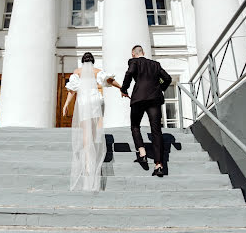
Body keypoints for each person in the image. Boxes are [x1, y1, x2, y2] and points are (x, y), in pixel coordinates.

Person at [62, 52, 121, 191]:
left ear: (82, 61)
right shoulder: (97, 71)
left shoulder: (77, 72)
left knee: (85, 133)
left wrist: (66, 105)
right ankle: (94, 154)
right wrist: (121, 87)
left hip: (83, 102)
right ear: (93, 61)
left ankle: (88, 163)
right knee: (94, 131)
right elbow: (109, 80)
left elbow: (72, 91)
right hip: (95, 101)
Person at [120, 45, 172, 177]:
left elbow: (129, 73)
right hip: (154, 98)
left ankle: (142, 153)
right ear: (143, 52)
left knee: (135, 125)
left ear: (133, 54)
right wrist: (159, 88)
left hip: (139, 98)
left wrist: (124, 89)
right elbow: (168, 78)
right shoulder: (155, 64)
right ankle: (159, 165)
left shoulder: (134, 62)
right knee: (156, 130)